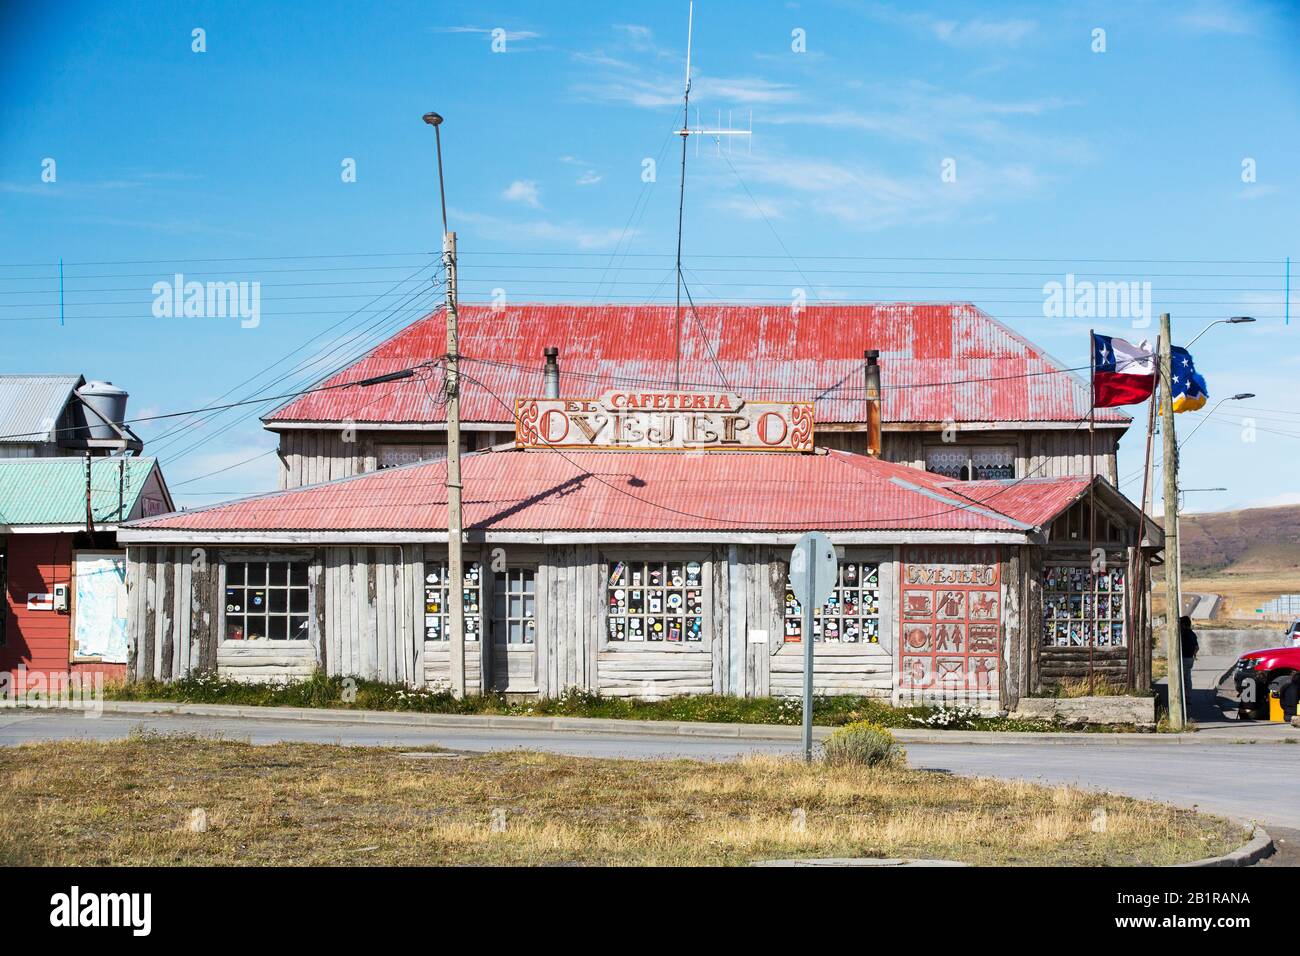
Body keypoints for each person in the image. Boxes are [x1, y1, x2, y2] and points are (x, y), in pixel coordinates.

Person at [1179, 615, 1199, 706]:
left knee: (1181, 679)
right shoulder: (1192, 634)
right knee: (1187, 679)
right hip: (1190, 658)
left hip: (1183, 658)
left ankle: (1182, 698)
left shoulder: (1183, 634)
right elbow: (1197, 647)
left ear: (1183, 624)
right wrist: (1194, 654)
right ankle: (1188, 698)